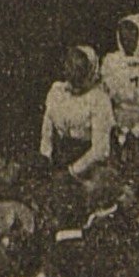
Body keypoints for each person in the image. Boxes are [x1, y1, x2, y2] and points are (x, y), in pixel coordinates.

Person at [40, 45, 114, 178]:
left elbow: (99, 149)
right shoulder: (57, 91)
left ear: (89, 69)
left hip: (87, 163)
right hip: (59, 158)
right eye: (70, 65)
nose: (72, 71)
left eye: (79, 67)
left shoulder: (99, 99)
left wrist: (72, 171)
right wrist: (46, 156)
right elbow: (47, 131)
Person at [101, 14, 139, 160]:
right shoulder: (111, 62)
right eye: (123, 32)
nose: (126, 37)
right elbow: (103, 100)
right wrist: (116, 127)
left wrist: (136, 132)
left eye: (132, 31)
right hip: (115, 125)